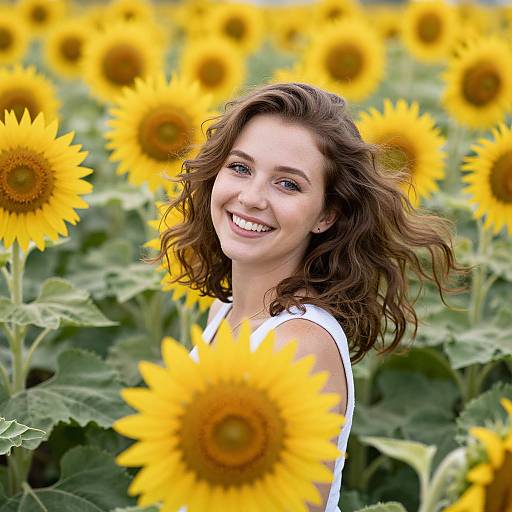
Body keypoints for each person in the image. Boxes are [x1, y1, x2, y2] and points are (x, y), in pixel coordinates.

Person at [156, 83, 465, 511]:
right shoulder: (224, 312)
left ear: (326, 214)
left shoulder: (297, 345)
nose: (250, 198)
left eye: (287, 184)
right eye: (241, 168)